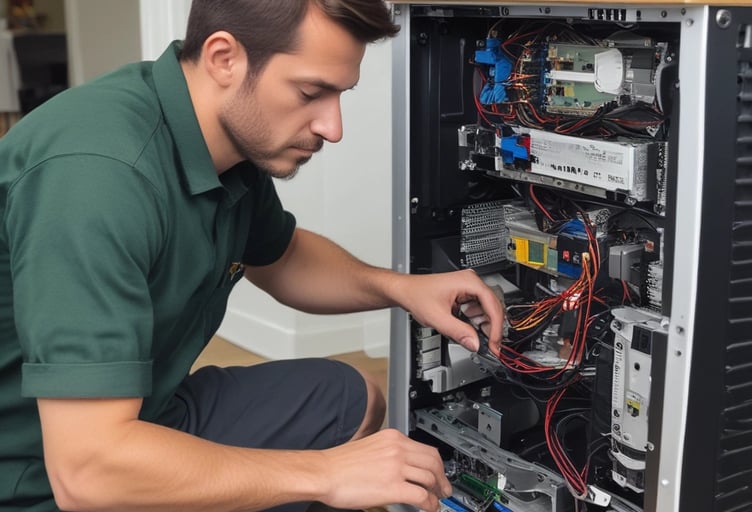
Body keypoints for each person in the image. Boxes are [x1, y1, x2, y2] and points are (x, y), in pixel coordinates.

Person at [0, 1, 505, 511]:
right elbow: (87, 472)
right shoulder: (96, 178)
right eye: (310, 93)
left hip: (148, 411)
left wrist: (402, 288)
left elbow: (281, 257)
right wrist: (325, 475)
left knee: (352, 401)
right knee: (329, 470)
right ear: (224, 58)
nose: (333, 127)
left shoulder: (223, 144)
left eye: (340, 94)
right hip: (41, 474)